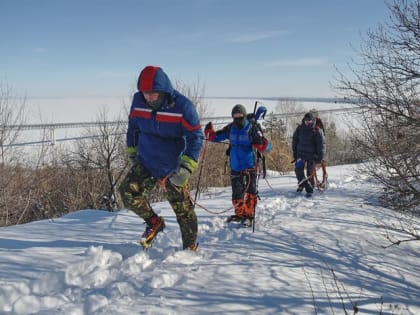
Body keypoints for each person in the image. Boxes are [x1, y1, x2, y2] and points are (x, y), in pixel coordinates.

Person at [119, 65, 203, 250]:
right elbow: (133, 127)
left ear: (163, 90)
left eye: (153, 93)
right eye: (145, 92)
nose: (148, 97)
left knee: (183, 211)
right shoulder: (138, 101)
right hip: (147, 160)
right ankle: (154, 222)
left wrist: (186, 167)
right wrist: (132, 151)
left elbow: (196, 137)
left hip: (173, 166)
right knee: (127, 191)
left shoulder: (183, 106)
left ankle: (190, 247)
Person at [204, 104, 271, 227]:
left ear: (244, 115)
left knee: (251, 191)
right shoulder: (231, 128)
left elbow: (267, 147)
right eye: (235, 115)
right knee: (237, 192)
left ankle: (249, 215)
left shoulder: (252, 128)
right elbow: (217, 137)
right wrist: (209, 133)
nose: (237, 117)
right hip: (235, 165)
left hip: (250, 164)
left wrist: (262, 143)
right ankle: (240, 213)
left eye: (239, 115)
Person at [292, 112, 325, 196]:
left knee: (310, 173)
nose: (307, 122)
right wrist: (295, 153)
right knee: (298, 170)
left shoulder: (317, 130)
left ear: (312, 120)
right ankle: (306, 185)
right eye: (306, 120)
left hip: (312, 156)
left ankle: (309, 189)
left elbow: (321, 145)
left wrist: (319, 158)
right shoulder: (299, 129)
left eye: (309, 120)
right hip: (300, 154)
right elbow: (295, 141)